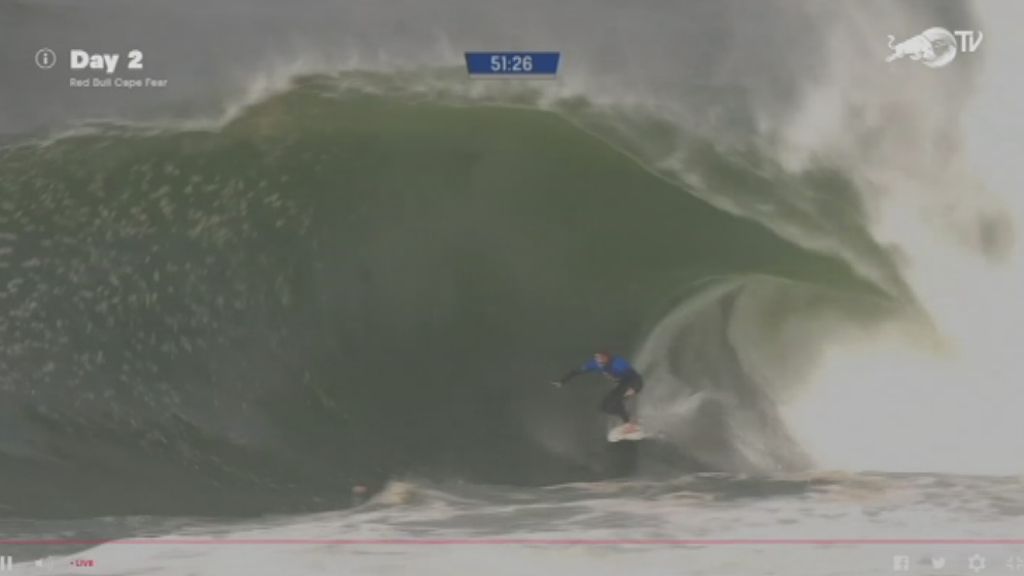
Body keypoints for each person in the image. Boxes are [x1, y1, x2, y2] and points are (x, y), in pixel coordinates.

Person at [553, 351, 644, 432]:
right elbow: (576, 371)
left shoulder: (618, 363)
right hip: (623, 385)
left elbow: (635, 377)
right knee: (605, 407)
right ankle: (630, 419)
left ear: (607, 358)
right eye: (596, 358)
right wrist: (562, 381)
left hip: (634, 382)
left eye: (600, 359)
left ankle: (629, 424)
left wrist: (634, 388)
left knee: (614, 399)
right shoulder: (595, 364)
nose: (598, 361)